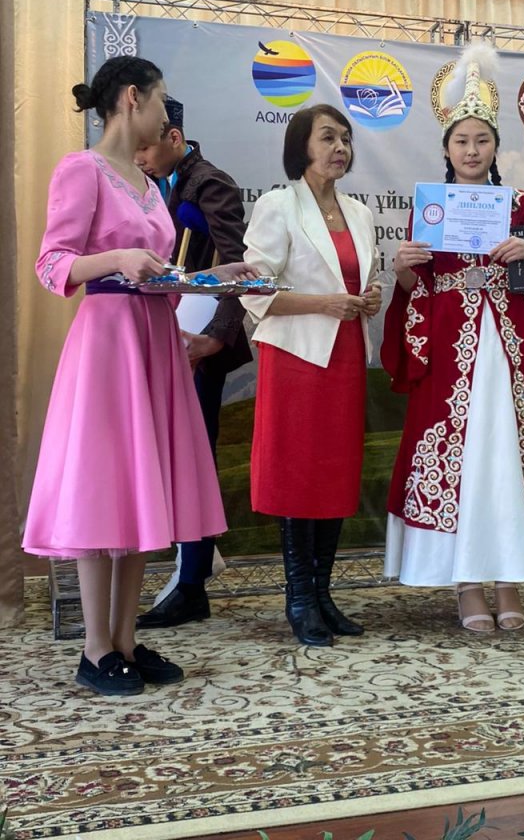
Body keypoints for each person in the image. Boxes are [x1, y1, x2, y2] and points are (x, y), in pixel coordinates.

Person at [23, 57, 256, 696]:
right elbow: (52, 264)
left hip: (153, 340)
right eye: (160, 99)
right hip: (108, 344)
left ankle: (125, 640)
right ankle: (95, 649)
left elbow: (159, 275)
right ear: (133, 98)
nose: (164, 112)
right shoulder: (82, 169)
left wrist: (212, 278)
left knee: (137, 489)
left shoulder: (149, 184)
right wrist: (116, 257)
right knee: (105, 487)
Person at [382, 44, 524, 632]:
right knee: (463, 453)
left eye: (482, 141)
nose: (471, 151)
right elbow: (417, 289)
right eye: (461, 141)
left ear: (496, 146)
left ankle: (509, 576)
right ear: (446, 148)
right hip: (449, 345)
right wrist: (402, 269)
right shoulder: (431, 207)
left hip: (509, 341)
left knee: (505, 451)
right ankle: (467, 583)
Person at [240, 104, 381, 647]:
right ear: (302, 145)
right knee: (298, 474)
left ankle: (323, 594)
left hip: (345, 353)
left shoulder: (360, 212)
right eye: (327, 138)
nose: (340, 147)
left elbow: (364, 278)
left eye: (345, 138)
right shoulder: (278, 204)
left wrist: (371, 296)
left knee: (334, 474)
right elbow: (255, 290)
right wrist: (326, 303)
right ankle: (298, 597)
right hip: (297, 357)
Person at [134, 98, 252, 629]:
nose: (138, 157)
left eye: (146, 146)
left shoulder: (211, 183)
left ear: (174, 137)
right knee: (170, 451)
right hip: (167, 331)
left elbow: (238, 267)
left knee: (193, 454)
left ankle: (192, 584)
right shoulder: (153, 184)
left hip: (199, 339)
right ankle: (197, 561)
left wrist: (215, 338)